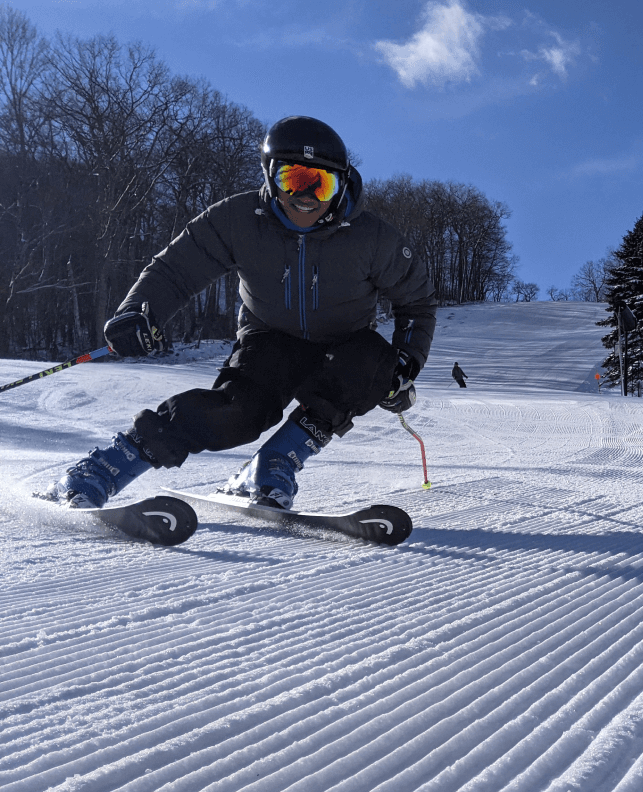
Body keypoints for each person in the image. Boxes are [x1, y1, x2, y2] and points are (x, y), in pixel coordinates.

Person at [40, 115, 435, 510]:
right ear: (269, 176)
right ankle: (103, 468)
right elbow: (176, 269)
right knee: (238, 413)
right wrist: (138, 312)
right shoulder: (237, 219)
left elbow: (416, 302)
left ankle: (272, 464)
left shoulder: (373, 238)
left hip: (345, 345)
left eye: (322, 184)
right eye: (293, 179)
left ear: (342, 183)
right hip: (270, 340)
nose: (307, 197)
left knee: (368, 367)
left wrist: (405, 363)